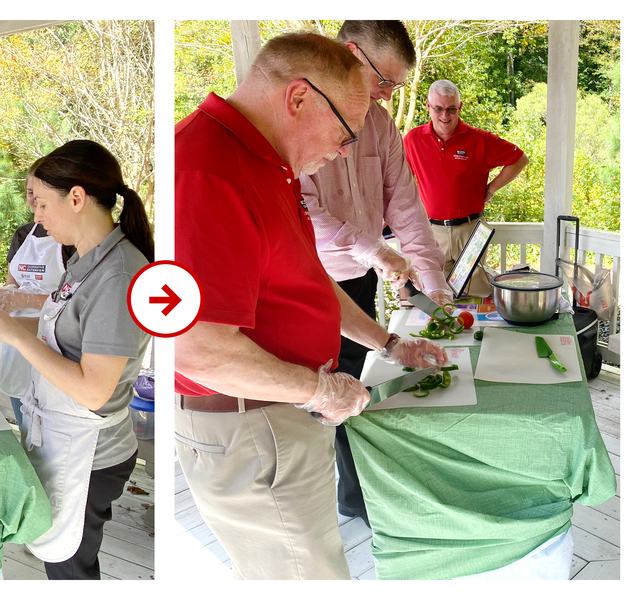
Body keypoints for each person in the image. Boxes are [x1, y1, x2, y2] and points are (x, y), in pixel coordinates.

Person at [173, 32, 448, 579]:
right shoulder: (205, 168)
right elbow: (197, 350)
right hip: (252, 426)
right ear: (299, 98)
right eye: (346, 133)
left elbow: (308, 282)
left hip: (279, 417)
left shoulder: (269, 164)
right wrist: (321, 389)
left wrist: (389, 343)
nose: (346, 151)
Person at [0, 140, 153, 580]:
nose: (37, 216)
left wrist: (16, 333)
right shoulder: (84, 261)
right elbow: (63, 334)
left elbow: (94, 388)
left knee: (71, 567)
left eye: (43, 203)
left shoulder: (119, 274)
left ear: (76, 197)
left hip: (91, 454)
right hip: (64, 437)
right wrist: (3, 328)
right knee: (62, 557)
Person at [301, 20, 450, 528]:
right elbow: (305, 216)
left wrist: (434, 288)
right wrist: (375, 250)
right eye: (383, 81)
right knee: (324, 393)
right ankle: (344, 500)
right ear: (350, 54)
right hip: (310, 281)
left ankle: (359, 489)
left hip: (362, 280)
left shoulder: (382, 125)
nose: (386, 95)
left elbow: (407, 208)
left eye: (394, 88)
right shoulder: (301, 118)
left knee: (360, 382)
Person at [404, 79, 529, 298]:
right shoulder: (413, 140)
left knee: (476, 293)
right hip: (431, 231)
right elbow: (400, 180)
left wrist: (491, 189)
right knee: (434, 295)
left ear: (460, 107)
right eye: (439, 109)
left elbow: (519, 159)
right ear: (428, 106)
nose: (445, 116)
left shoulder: (480, 140)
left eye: (451, 109)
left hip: (470, 231)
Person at [0, 168, 75, 427]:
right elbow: (12, 283)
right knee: (22, 417)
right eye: (29, 194)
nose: (33, 202)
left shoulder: (70, 241)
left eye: (39, 198)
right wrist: (3, 300)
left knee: (49, 421)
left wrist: (25, 301)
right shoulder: (22, 234)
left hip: (53, 343)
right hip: (15, 343)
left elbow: (74, 301)